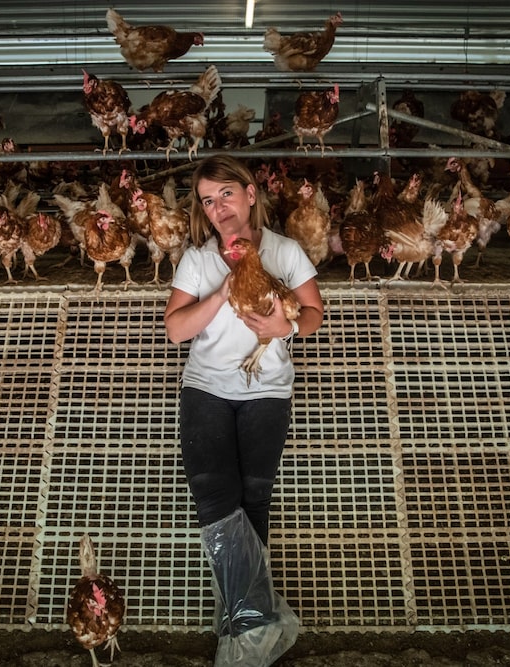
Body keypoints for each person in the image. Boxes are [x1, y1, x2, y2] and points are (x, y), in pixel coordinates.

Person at [164, 154, 324, 666]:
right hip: (206, 391)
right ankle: (252, 628)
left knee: (254, 500)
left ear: (251, 194)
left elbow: (314, 312)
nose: (218, 208)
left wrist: (286, 329)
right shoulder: (198, 259)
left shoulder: (286, 250)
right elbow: (175, 330)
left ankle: (244, 627)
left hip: (268, 391)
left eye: (226, 195)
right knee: (216, 501)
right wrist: (225, 290)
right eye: (208, 201)